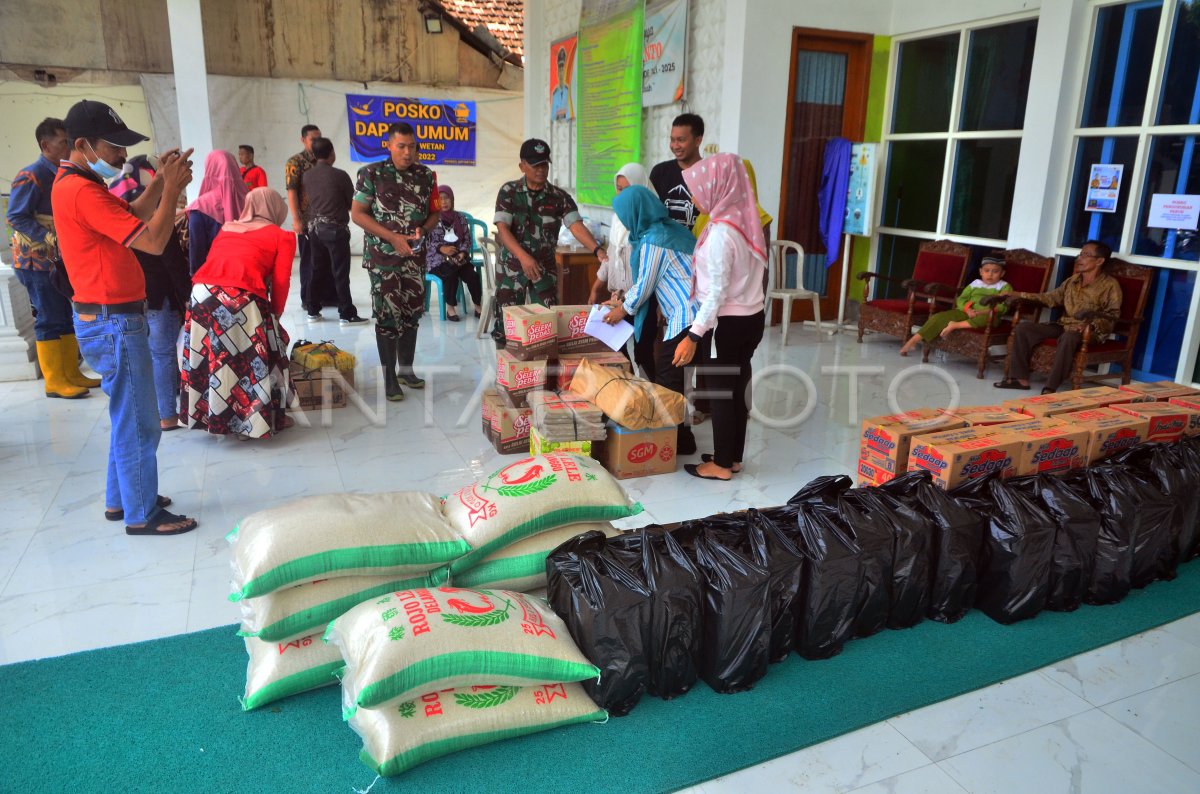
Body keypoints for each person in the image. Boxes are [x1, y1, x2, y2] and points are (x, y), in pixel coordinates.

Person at [52, 98, 197, 535]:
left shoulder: (81, 184)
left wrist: (157, 184)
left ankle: (123, 499)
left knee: (126, 414)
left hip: (107, 315)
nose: (120, 155)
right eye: (113, 146)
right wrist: (171, 188)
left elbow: (131, 215)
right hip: (113, 319)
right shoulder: (80, 190)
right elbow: (153, 242)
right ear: (82, 144)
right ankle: (142, 514)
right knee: (140, 421)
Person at [674, 153, 768, 481]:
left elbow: (715, 294)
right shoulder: (746, 222)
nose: (693, 197)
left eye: (698, 189)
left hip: (724, 325)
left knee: (721, 394)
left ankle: (722, 466)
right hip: (751, 318)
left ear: (718, 188)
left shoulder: (719, 236)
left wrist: (694, 335)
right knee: (737, 387)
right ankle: (733, 456)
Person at [181, 188, 296, 438]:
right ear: (275, 208)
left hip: (201, 296)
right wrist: (275, 314)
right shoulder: (282, 236)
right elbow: (281, 281)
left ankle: (212, 418)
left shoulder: (228, 228)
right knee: (250, 360)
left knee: (217, 360)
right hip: (239, 297)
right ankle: (252, 423)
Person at [602, 185, 699, 455]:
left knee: (669, 379)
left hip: (685, 317)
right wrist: (622, 300)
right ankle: (682, 436)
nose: (623, 221)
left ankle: (676, 441)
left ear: (636, 212)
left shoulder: (656, 239)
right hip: (696, 315)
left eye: (624, 215)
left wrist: (622, 309)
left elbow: (645, 285)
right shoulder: (667, 229)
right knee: (677, 379)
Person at [7, 116, 99, 399]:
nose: (68, 147)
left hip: (59, 257)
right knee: (48, 316)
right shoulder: (31, 175)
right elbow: (16, 216)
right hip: (36, 260)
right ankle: (54, 380)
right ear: (46, 145)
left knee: (63, 314)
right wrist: (47, 236)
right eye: (63, 143)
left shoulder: (64, 172)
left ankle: (71, 372)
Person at [351, 122, 441, 402]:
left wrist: (423, 230)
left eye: (412, 146)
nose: (407, 152)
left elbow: (434, 213)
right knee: (388, 316)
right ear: (388, 145)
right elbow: (358, 213)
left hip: (414, 258)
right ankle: (389, 379)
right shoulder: (371, 174)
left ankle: (407, 370)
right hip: (383, 259)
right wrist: (392, 237)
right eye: (401, 146)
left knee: (412, 314)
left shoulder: (426, 175)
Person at [491, 138, 606, 347]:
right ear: (522, 166)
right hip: (511, 268)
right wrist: (523, 257)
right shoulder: (509, 191)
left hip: (543, 270)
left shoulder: (558, 196)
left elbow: (576, 226)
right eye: (535, 165)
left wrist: (597, 250)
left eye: (544, 164)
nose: (541, 170)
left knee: (545, 325)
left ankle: (540, 375)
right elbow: (502, 230)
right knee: (506, 326)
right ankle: (507, 373)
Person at [109, 156, 191, 430]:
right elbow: (171, 259)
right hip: (159, 296)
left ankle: (152, 412)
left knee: (144, 356)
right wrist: (188, 295)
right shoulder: (156, 213)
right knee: (163, 355)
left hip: (130, 297)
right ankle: (167, 415)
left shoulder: (118, 208)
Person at [994, 240, 1122, 395]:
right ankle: (1020, 379)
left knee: (1068, 337)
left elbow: (1112, 315)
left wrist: (1091, 325)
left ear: (1100, 261)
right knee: (1024, 328)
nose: (1079, 258)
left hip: (1090, 331)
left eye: (1086, 255)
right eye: (1080, 254)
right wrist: (1018, 294)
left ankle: (1051, 387)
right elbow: (1050, 298)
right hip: (1064, 324)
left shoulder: (1110, 285)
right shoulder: (1072, 280)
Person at [302, 137, 365, 326]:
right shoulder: (340, 175)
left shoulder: (308, 176)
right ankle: (346, 313)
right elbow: (350, 203)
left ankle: (312, 310)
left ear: (313, 154)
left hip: (314, 230)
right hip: (335, 230)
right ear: (332, 153)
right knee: (340, 272)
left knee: (317, 269)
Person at [899, 256, 1012, 356]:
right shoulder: (975, 284)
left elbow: (1004, 306)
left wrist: (982, 312)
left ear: (1002, 274)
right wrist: (967, 309)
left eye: (995, 271)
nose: (990, 274)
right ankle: (913, 341)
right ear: (981, 271)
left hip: (988, 314)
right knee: (939, 317)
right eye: (987, 271)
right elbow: (961, 299)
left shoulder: (1004, 287)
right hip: (966, 311)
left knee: (987, 319)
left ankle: (955, 325)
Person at [286, 123, 338, 320]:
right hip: (307, 221)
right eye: (312, 139)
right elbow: (292, 191)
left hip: (325, 219)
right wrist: (297, 219)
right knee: (310, 261)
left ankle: (328, 296)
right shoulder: (295, 162)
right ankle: (308, 298)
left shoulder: (322, 161)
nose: (316, 142)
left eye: (319, 138)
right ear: (303, 140)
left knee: (329, 259)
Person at [426, 184, 482, 322]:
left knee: (472, 275)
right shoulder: (432, 218)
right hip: (437, 259)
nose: (444, 202)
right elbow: (427, 241)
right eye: (440, 199)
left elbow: (467, 239)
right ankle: (450, 307)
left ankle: (477, 306)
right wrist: (442, 249)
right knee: (450, 274)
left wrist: (462, 252)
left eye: (447, 198)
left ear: (452, 200)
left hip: (458, 258)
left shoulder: (460, 218)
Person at [186, 150, 247, 275]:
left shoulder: (200, 206)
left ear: (209, 169)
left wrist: (196, 277)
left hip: (215, 277)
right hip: (248, 274)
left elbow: (197, 249)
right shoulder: (251, 199)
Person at [650, 113, 705, 231]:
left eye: (681, 140)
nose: (675, 146)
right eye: (672, 140)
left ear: (698, 140)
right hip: (664, 246)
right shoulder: (659, 172)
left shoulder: (710, 174)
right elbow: (650, 212)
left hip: (697, 247)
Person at [551, 45, 572, 121]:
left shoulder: (569, 91)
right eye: (560, 71)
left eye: (563, 71)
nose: (561, 74)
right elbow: (552, 117)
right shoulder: (555, 94)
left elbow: (570, 115)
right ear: (557, 73)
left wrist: (559, 113)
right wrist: (562, 113)